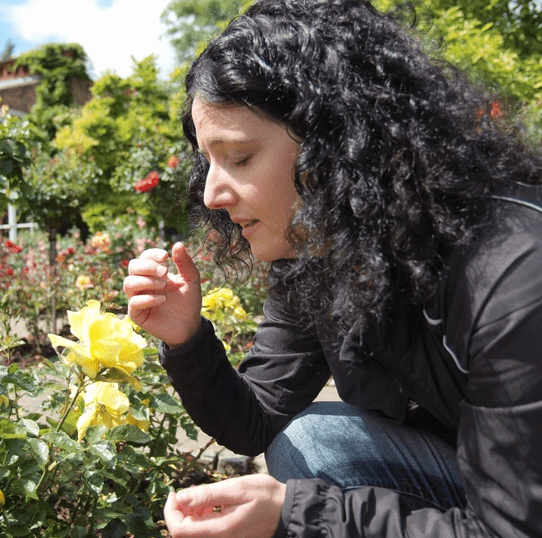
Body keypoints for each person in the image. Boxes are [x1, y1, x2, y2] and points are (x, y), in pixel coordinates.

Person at [123, 0, 542, 535]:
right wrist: (186, 341)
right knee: (313, 442)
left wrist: (300, 517)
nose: (210, 195)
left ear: (338, 142)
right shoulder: (321, 252)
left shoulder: (513, 273)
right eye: (209, 163)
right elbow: (258, 419)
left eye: (240, 157)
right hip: (477, 470)